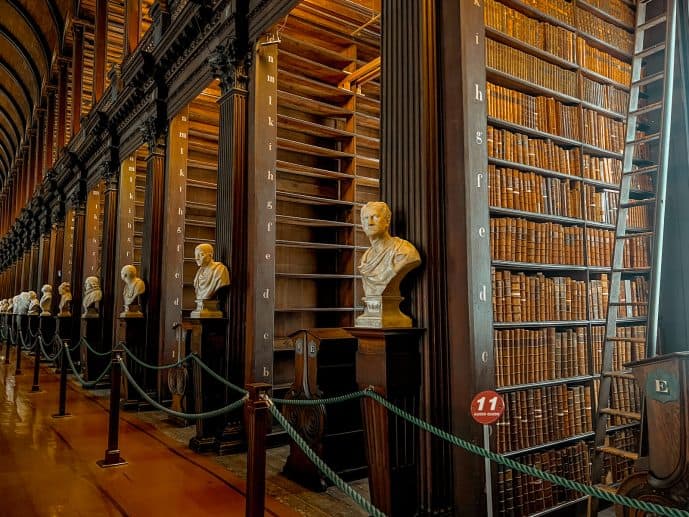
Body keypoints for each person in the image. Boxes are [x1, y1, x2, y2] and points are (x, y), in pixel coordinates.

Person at [358, 201, 421, 297]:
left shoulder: (404, 251)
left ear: (387, 220)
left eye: (375, 217)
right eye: (365, 218)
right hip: (372, 306)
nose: (369, 223)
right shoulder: (365, 259)